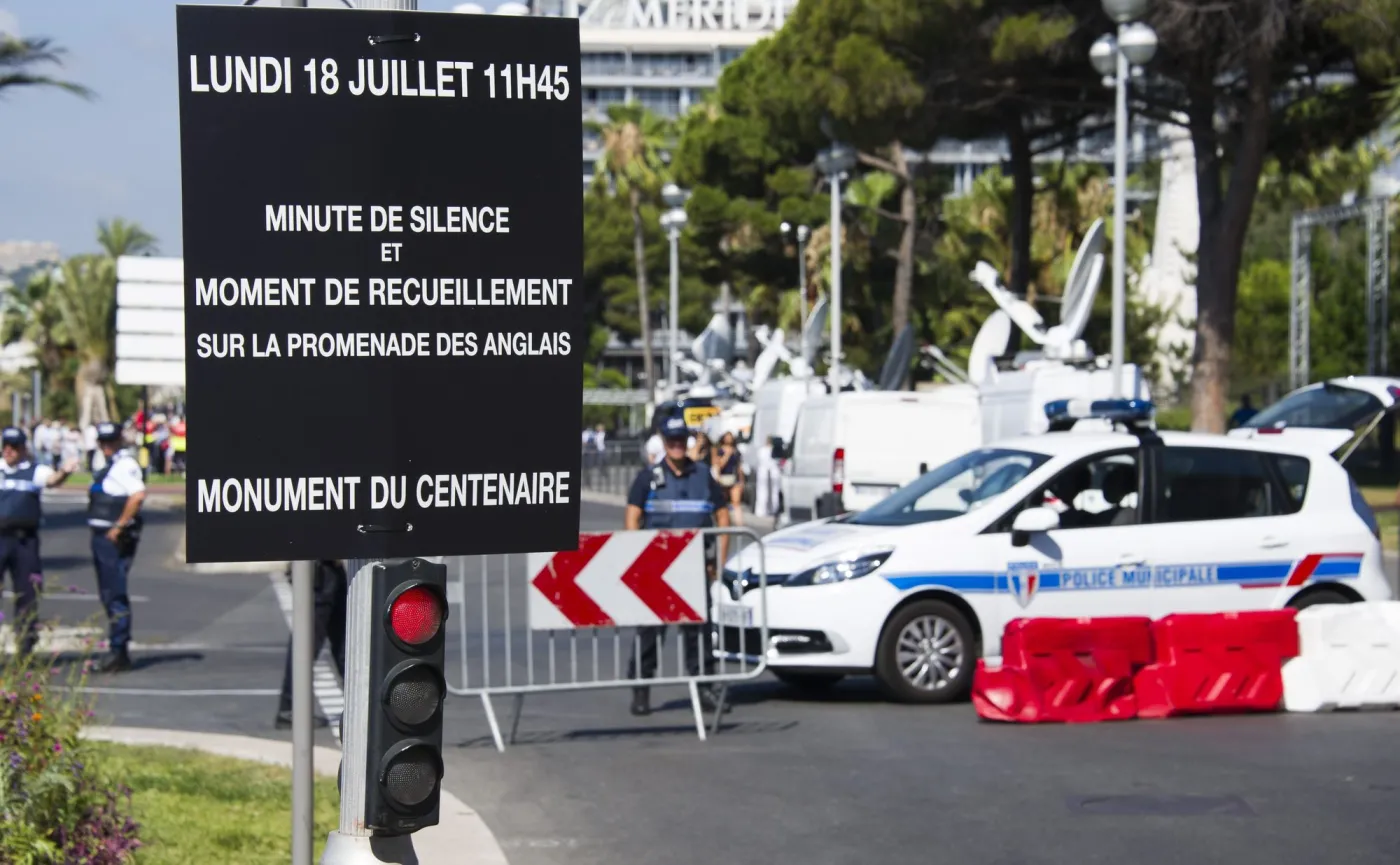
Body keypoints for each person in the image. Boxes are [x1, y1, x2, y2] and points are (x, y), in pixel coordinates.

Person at [624, 413, 730, 716]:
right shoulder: (648, 477)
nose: (677, 445)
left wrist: (718, 561)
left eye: (681, 440)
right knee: (650, 632)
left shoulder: (703, 476)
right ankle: (641, 688)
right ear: (664, 442)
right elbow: (632, 517)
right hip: (656, 568)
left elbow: (722, 516)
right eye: (671, 440)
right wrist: (637, 559)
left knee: (699, 633)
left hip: (694, 566)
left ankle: (704, 687)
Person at [0, 427, 77, 654]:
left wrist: (64, 472)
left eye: (14, 447)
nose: (9, 451)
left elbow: (52, 480)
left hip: (24, 541)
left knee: (27, 592)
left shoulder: (34, 471)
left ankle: (25, 645)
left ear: (23, 449)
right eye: (5, 446)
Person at [87, 422, 147, 673]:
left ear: (119, 441)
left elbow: (138, 495)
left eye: (111, 441)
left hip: (113, 539)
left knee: (115, 592)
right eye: (103, 442)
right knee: (107, 593)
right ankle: (117, 647)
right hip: (101, 537)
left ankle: (119, 650)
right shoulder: (106, 464)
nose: (107, 446)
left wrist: (119, 526)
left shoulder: (124, 465)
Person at [275, 559, 348, 729]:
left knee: (345, 643)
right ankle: (290, 708)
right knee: (305, 645)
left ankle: (359, 702)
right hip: (319, 570)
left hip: (329, 569)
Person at [712, 431, 745, 526]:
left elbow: (739, 467)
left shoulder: (736, 451)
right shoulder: (719, 450)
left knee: (736, 503)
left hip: (734, 479)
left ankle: (740, 526)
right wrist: (727, 455)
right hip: (722, 479)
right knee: (721, 503)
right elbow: (718, 465)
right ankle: (722, 524)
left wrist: (742, 481)